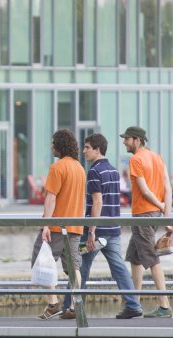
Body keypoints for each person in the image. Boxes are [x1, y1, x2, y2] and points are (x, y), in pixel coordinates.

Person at [64, 133, 143, 319]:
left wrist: (90, 231)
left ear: (98, 149)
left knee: (79, 267)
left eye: (87, 147)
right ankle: (133, 305)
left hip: (96, 231)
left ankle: (72, 307)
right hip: (112, 229)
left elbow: (97, 202)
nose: (83, 151)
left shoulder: (94, 171)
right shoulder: (114, 171)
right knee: (119, 269)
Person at [33, 128, 86, 321]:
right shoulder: (80, 168)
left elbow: (51, 198)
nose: (51, 146)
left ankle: (53, 303)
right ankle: (74, 305)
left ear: (59, 145)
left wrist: (46, 224)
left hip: (56, 226)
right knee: (74, 268)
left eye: (53, 142)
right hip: (75, 226)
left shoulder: (57, 168)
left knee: (40, 261)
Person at [121, 126, 173, 318]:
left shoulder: (135, 160)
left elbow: (144, 190)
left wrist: (160, 207)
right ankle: (134, 304)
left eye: (127, 139)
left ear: (137, 140)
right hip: (154, 215)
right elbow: (168, 187)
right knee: (135, 257)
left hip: (143, 214)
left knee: (151, 257)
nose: (124, 142)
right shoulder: (157, 157)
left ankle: (164, 305)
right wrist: (166, 216)